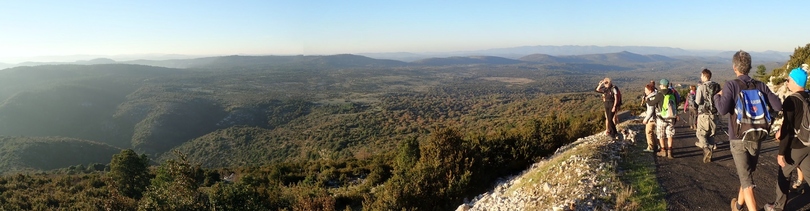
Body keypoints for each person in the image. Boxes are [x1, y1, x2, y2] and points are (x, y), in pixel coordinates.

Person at [716, 50, 782, 211]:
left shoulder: (731, 85)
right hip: (756, 137)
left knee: (747, 181)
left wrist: (716, 97)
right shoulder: (760, 85)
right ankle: (738, 205)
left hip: (738, 138)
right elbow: (778, 106)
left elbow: (722, 110)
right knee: (745, 175)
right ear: (750, 67)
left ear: (734, 67)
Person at [764, 68, 810, 211]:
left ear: (795, 81)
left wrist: (781, 153)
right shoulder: (808, 96)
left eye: (788, 80)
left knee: (783, 175)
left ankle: (777, 207)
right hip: (808, 142)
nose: (787, 82)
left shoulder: (791, 100)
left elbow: (787, 129)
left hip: (796, 145)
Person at [647, 79, 679, 159]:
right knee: (670, 135)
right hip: (671, 117)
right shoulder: (673, 93)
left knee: (661, 135)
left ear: (662, 85)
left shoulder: (660, 94)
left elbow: (651, 103)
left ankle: (663, 150)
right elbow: (676, 103)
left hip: (661, 118)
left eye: (660, 85)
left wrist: (647, 99)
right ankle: (670, 151)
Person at [695, 69, 720, 163]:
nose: (701, 77)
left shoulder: (701, 87)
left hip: (704, 114)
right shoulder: (717, 86)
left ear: (705, 76)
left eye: (701, 76)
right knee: (711, 135)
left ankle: (706, 149)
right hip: (714, 114)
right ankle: (710, 155)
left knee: (701, 134)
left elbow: (697, 101)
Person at [642, 82, 658, 152]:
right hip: (657, 118)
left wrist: (646, 119)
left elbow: (650, 110)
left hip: (651, 119)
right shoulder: (656, 95)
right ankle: (655, 145)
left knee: (648, 132)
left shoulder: (650, 98)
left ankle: (651, 147)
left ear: (650, 90)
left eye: (646, 90)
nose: (645, 92)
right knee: (653, 132)